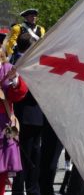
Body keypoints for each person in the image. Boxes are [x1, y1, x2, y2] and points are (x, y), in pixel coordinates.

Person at [11, 33, 44, 195]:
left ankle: (25, 189)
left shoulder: (18, 62)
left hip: (28, 115)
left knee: (28, 156)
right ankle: (28, 189)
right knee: (28, 156)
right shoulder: (25, 64)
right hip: (29, 115)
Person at [0, 49, 28, 195]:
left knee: (0, 174)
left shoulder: (7, 68)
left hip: (2, 126)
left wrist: (14, 80)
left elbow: (18, 94)